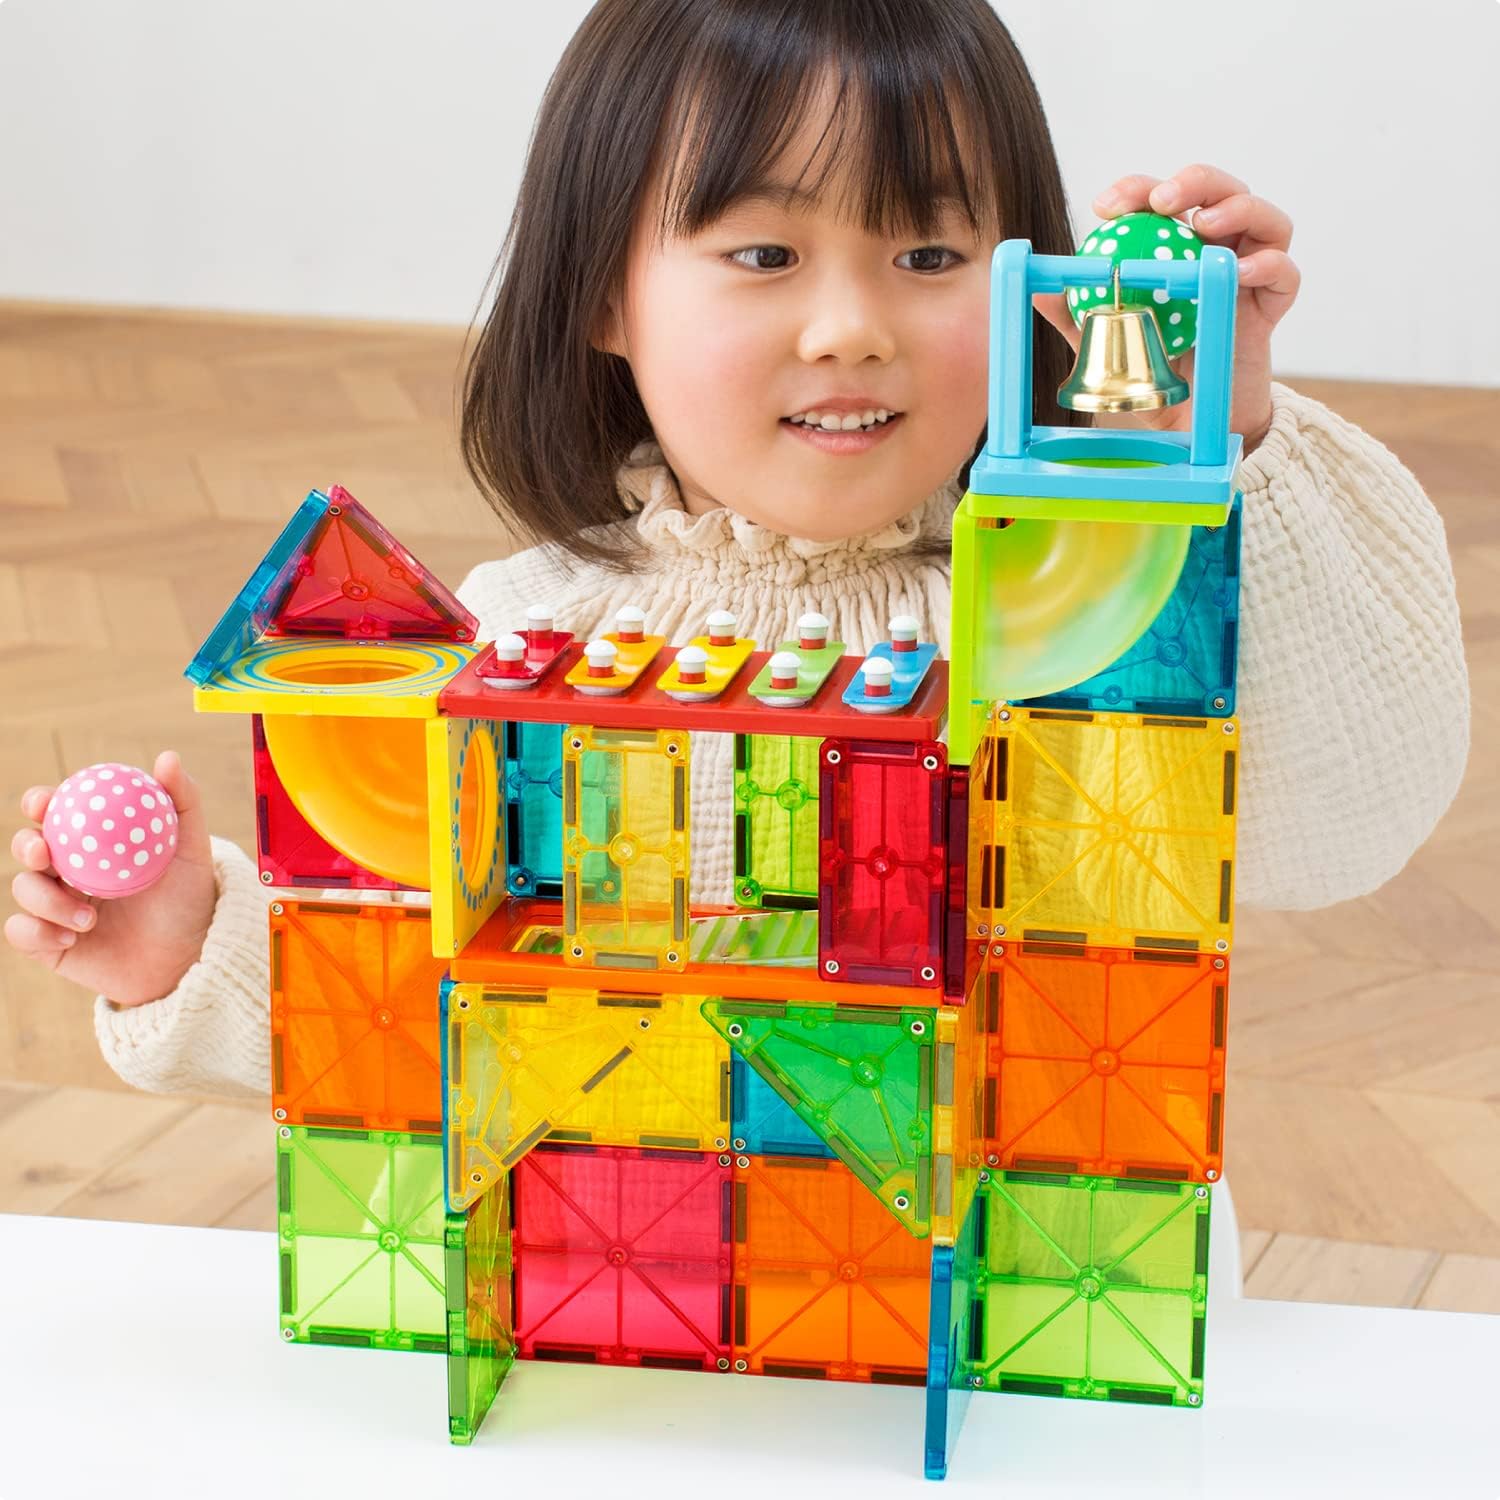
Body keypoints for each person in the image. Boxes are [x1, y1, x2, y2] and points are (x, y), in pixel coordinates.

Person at [4, 0, 1469, 1301]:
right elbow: (423, 1023)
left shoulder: (1082, 608)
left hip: (1030, 1301)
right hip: (635, 1302)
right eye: (764, 253)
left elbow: (1344, 820)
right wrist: (188, 951)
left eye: (929, 253)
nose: (851, 327)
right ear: (603, 293)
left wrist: (1228, 444)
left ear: (1035, 287)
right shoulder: (524, 638)